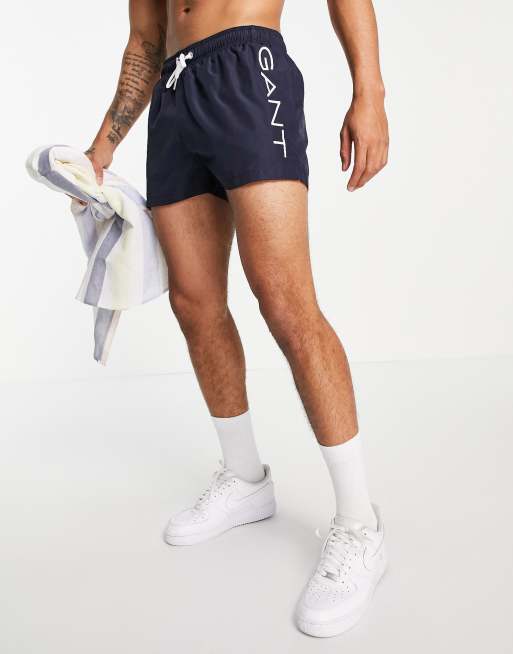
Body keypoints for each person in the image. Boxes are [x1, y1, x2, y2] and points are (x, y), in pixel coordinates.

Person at [86, 0, 389, 637]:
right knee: (193, 303)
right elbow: (145, 40)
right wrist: (101, 148)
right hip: (174, 94)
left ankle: (360, 524)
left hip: (249, 71)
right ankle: (246, 478)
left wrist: (370, 92)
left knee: (286, 303)